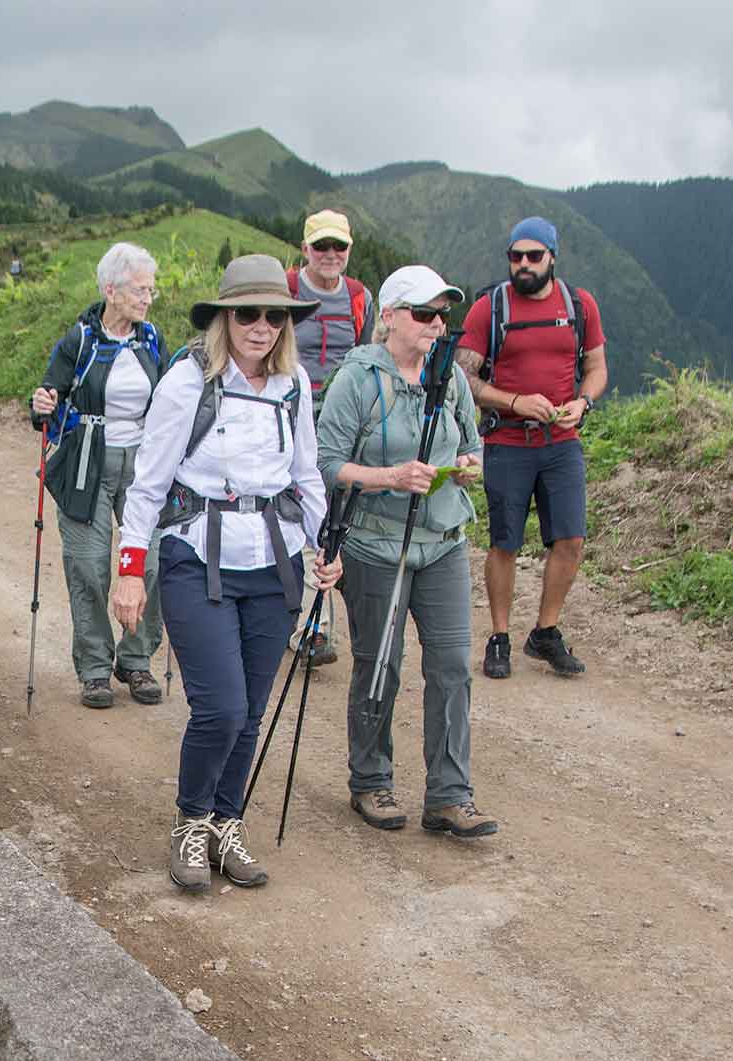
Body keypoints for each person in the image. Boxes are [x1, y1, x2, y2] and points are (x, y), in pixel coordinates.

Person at [110, 254, 338, 892]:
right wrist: (131, 569)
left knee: (253, 710)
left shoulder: (295, 385)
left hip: (277, 558)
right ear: (225, 318)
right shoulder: (189, 381)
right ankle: (190, 820)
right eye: (248, 314)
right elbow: (148, 482)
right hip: (196, 555)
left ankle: (224, 822)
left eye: (273, 316)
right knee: (222, 708)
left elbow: (306, 472)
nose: (261, 327)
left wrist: (323, 544)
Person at [316, 265, 498, 839]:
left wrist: (468, 468)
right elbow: (325, 464)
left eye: (443, 315)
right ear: (389, 317)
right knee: (380, 665)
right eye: (424, 314)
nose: (437, 324)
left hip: (442, 541)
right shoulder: (357, 380)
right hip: (375, 546)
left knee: (451, 667)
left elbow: (473, 446)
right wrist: (389, 476)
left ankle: (449, 795)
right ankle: (370, 780)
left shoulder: (452, 380)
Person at [456, 216, 609, 680]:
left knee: (572, 540)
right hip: (506, 440)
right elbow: (464, 378)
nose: (523, 265)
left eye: (533, 256)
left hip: (562, 442)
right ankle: (499, 636)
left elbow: (597, 367)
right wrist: (516, 401)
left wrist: (582, 403)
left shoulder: (580, 306)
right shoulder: (489, 308)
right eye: (515, 256)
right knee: (504, 542)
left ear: (552, 258)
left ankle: (546, 631)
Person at [29, 242, 168, 709]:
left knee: (149, 563)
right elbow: (48, 397)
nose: (148, 299)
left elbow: (168, 399)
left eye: (151, 290)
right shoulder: (80, 341)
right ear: (111, 289)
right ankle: (93, 668)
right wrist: (41, 404)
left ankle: (136, 659)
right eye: (139, 290)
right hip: (88, 458)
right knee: (88, 566)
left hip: (143, 462)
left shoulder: (151, 340)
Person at [282, 209, 374, 669]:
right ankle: (302, 622)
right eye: (322, 247)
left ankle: (314, 626)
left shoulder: (359, 298)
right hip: (289, 416)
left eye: (339, 247)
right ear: (305, 250)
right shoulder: (286, 290)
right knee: (297, 511)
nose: (331, 255)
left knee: (334, 518)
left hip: (343, 423)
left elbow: (367, 356)